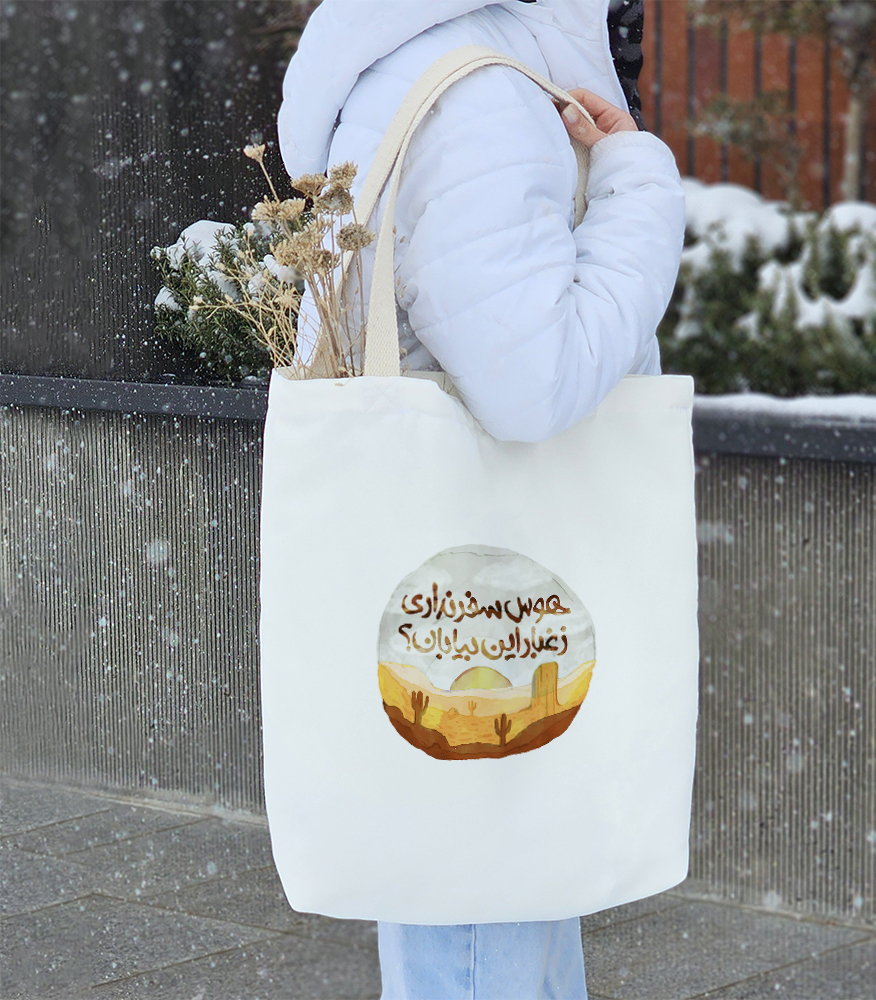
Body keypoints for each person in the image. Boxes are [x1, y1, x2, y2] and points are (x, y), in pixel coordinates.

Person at [278, 1, 685, 996]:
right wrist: (637, 185)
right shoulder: (480, 94)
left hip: (464, 580)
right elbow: (532, 384)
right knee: (482, 906)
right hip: (490, 590)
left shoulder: (430, 59)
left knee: (488, 881)